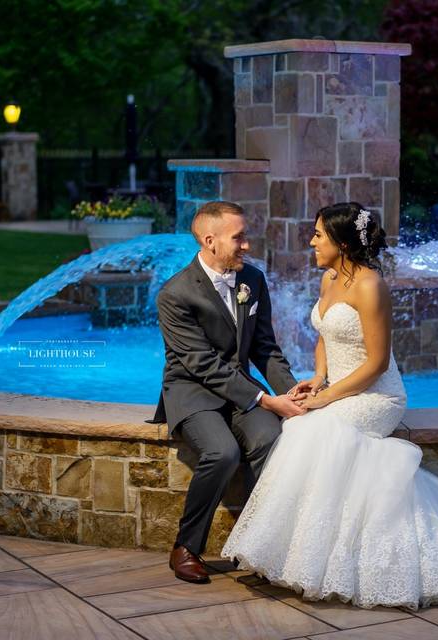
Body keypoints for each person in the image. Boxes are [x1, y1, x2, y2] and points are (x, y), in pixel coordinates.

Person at [222, 202, 438, 609]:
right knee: (303, 428)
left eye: (318, 235)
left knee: (311, 429)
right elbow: (323, 334)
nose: (311, 241)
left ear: (341, 242)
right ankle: (298, 558)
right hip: (340, 387)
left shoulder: (371, 286)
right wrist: (317, 378)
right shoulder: (329, 278)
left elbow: (375, 364)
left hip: (377, 395)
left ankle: (344, 564)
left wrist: (326, 398)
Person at [152, 200, 303, 584]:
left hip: (241, 392)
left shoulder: (252, 280)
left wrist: (295, 396)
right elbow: (201, 363)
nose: (247, 245)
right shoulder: (175, 294)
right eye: (239, 238)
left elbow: (264, 348)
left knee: (272, 438)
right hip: (193, 392)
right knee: (222, 452)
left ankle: (260, 544)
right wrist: (267, 400)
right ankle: (185, 547)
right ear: (210, 240)